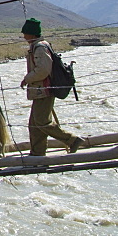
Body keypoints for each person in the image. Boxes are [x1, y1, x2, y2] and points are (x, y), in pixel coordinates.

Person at [19, 18, 85, 156]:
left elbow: (43, 70)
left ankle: (72, 140)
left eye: (25, 33)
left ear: (31, 34)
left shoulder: (40, 48)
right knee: (34, 124)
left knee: (42, 122)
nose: (24, 36)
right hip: (40, 90)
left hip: (43, 90)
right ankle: (37, 152)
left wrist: (27, 79)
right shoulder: (40, 46)